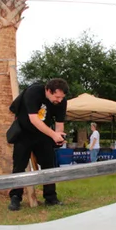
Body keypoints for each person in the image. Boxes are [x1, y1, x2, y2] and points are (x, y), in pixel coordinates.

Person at [8, 78, 69, 211]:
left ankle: (51, 197)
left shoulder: (62, 102)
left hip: (44, 135)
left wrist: (59, 137)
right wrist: (53, 134)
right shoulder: (34, 92)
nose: (59, 100)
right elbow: (34, 119)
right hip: (24, 133)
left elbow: (59, 124)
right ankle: (15, 198)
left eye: (61, 97)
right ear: (48, 90)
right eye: (57, 96)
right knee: (19, 166)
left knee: (49, 165)